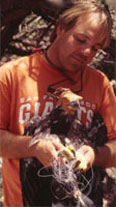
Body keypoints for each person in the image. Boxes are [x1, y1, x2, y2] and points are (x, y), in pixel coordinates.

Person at [0, 0, 116, 206]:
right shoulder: (12, 75)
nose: (87, 52)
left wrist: (94, 155)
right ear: (60, 29)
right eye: (81, 40)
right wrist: (33, 147)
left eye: (96, 48)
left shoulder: (99, 84)